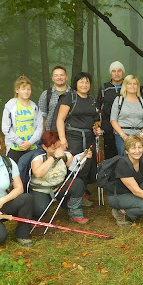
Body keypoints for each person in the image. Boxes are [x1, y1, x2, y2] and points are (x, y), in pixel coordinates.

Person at [57, 72, 102, 201]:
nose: (84, 84)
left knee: (86, 165)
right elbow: (60, 119)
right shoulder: (70, 98)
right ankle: (69, 196)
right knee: (72, 165)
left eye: (87, 82)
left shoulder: (91, 99)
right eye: (81, 81)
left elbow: (96, 119)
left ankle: (82, 193)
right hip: (73, 137)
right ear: (76, 83)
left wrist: (96, 127)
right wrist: (62, 138)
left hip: (88, 137)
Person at [30, 130, 89, 224]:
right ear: (44, 147)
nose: (57, 151)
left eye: (58, 147)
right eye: (53, 149)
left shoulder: (65, 154)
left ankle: (75, 213)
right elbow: (38, 173)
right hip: (40, 189)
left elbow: (75, 167)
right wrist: (53, 157)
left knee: (78, 184)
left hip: (58, 187)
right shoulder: (38, 158)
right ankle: (34, 213)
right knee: (40, 210)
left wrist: (84, 158)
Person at [2, 75, 43, 164]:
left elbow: (39, 127)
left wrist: (30, 142)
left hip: (31, 147)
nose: (26, 92)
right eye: (23, 89)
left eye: (29, 89)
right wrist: (20, 142)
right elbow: (6, 127)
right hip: (15, 147)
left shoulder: (34, 107)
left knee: (30, 174)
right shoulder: (10, 106)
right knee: (14, 173)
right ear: (17, 90)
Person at [110, 75, 143, 155]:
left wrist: (142, 135)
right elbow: (113, 120)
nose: (132, 86)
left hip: (139, 135)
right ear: (125, 85)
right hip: (122, 135)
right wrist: (124, 136)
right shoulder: (119, 100)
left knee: (138, 159)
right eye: (129, 84)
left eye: (135, 84)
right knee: (125, 160)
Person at [97, 61, 125, 159]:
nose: (116, 73)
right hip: (108, 128)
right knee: (110, 157)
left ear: (123, 72)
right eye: (114, 71)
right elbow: (99, 108)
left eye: (119, 71)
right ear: (110, 73)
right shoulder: (104, 88)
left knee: (124, 156)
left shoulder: (129, 86)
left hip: (124, 127)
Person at [38, 65, 71, 131]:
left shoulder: (73, 94)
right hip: (51, 134)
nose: (59, 77)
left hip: (70, 134)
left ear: (66, 77)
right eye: (56, 75)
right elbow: (41, 116)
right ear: (52, 78)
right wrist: (43, 134)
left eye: (62, 75)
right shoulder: (46, 94)